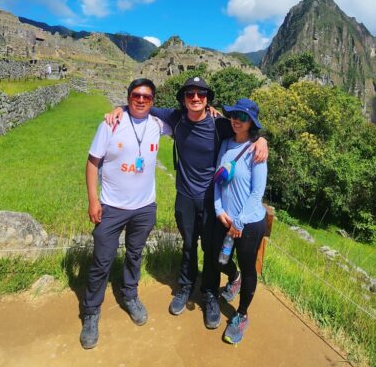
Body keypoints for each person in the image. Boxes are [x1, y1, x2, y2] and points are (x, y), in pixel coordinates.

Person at [106, 76, 268, 330]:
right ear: (183, 99)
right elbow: (143, 105)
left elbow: (246, 132)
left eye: (201, 94)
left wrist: (262, 140)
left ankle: (210, 293)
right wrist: (120, 108)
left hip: (212, 199)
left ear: (207, 99)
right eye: (190, 93)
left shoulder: (220, 124)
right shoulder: (176, 117)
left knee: (211, 250)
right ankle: (185, 287)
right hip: (185, 196)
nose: (195, 98)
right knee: (189, 245)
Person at [80, 78, 171, 350]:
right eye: (136, 96)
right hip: (111, 207)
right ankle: (91, 311)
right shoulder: (111, 124)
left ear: (153, 101)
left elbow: (190, 119)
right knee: (102, 261)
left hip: (144, 207)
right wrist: (93, 200)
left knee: (135, 254)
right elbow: (92, 163)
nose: (141, 100)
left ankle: (130, 295)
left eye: (146, 97)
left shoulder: (158, 125)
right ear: (128, 97)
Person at [213, 98, 268, 344]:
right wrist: (218, 209)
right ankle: (233, 278)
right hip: (226, 220)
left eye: (243, 117)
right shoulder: (226, 144)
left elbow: (257, 192)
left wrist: (240, 221)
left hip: (249, 223)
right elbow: (217, 179)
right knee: (219, 259)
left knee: (248, 268)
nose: (237, 120)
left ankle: (242, 315)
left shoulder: (257, 150)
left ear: (251, 122)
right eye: (234, 115)